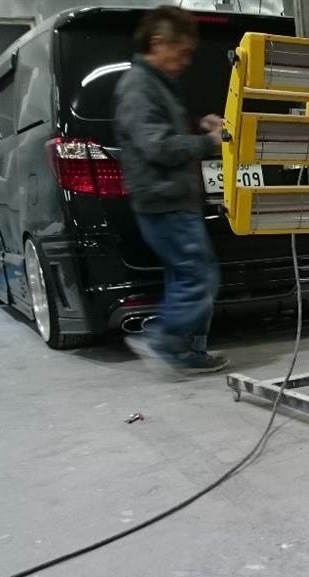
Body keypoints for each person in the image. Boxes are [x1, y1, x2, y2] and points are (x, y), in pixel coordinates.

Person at [113, 5, 227, 373]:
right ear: (159, 42)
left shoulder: (158, 85)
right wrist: (209, 143)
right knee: (198, 277)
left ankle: (188, 351)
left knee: (186, 276)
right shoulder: (139, 86)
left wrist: (199, 125)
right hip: (164, 201)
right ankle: (164, 339)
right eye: (182, 52)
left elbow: (163, 132)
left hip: (174, 199)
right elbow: (157, 146)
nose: (186, 62)